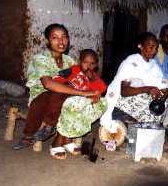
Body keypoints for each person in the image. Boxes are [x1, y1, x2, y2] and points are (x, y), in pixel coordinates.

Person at [13, 24, 106, 160]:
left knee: (88, 102)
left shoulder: (70, 61)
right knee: (61, 91)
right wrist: (82, 93)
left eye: (64, 37)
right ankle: (42, 132)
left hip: (66, 97)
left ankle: (65, 138)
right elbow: (48, 84)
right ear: (47, 41)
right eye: (55, 38)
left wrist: (94, 92)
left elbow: (85, 79)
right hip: (42, 97)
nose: (61, 41)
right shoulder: (41, 58)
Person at [100, 32, 168, 132]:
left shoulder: (153, 65)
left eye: (156, 48)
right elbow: (124, 91)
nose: (154, 51)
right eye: (151, 47)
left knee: (165, 100)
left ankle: (146, 125)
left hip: (141, 98)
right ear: (140, 46)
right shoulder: (132, 62)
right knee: (152, 99)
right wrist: (147, 89)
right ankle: (124, 117)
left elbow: (164, 88)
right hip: (121, 101)